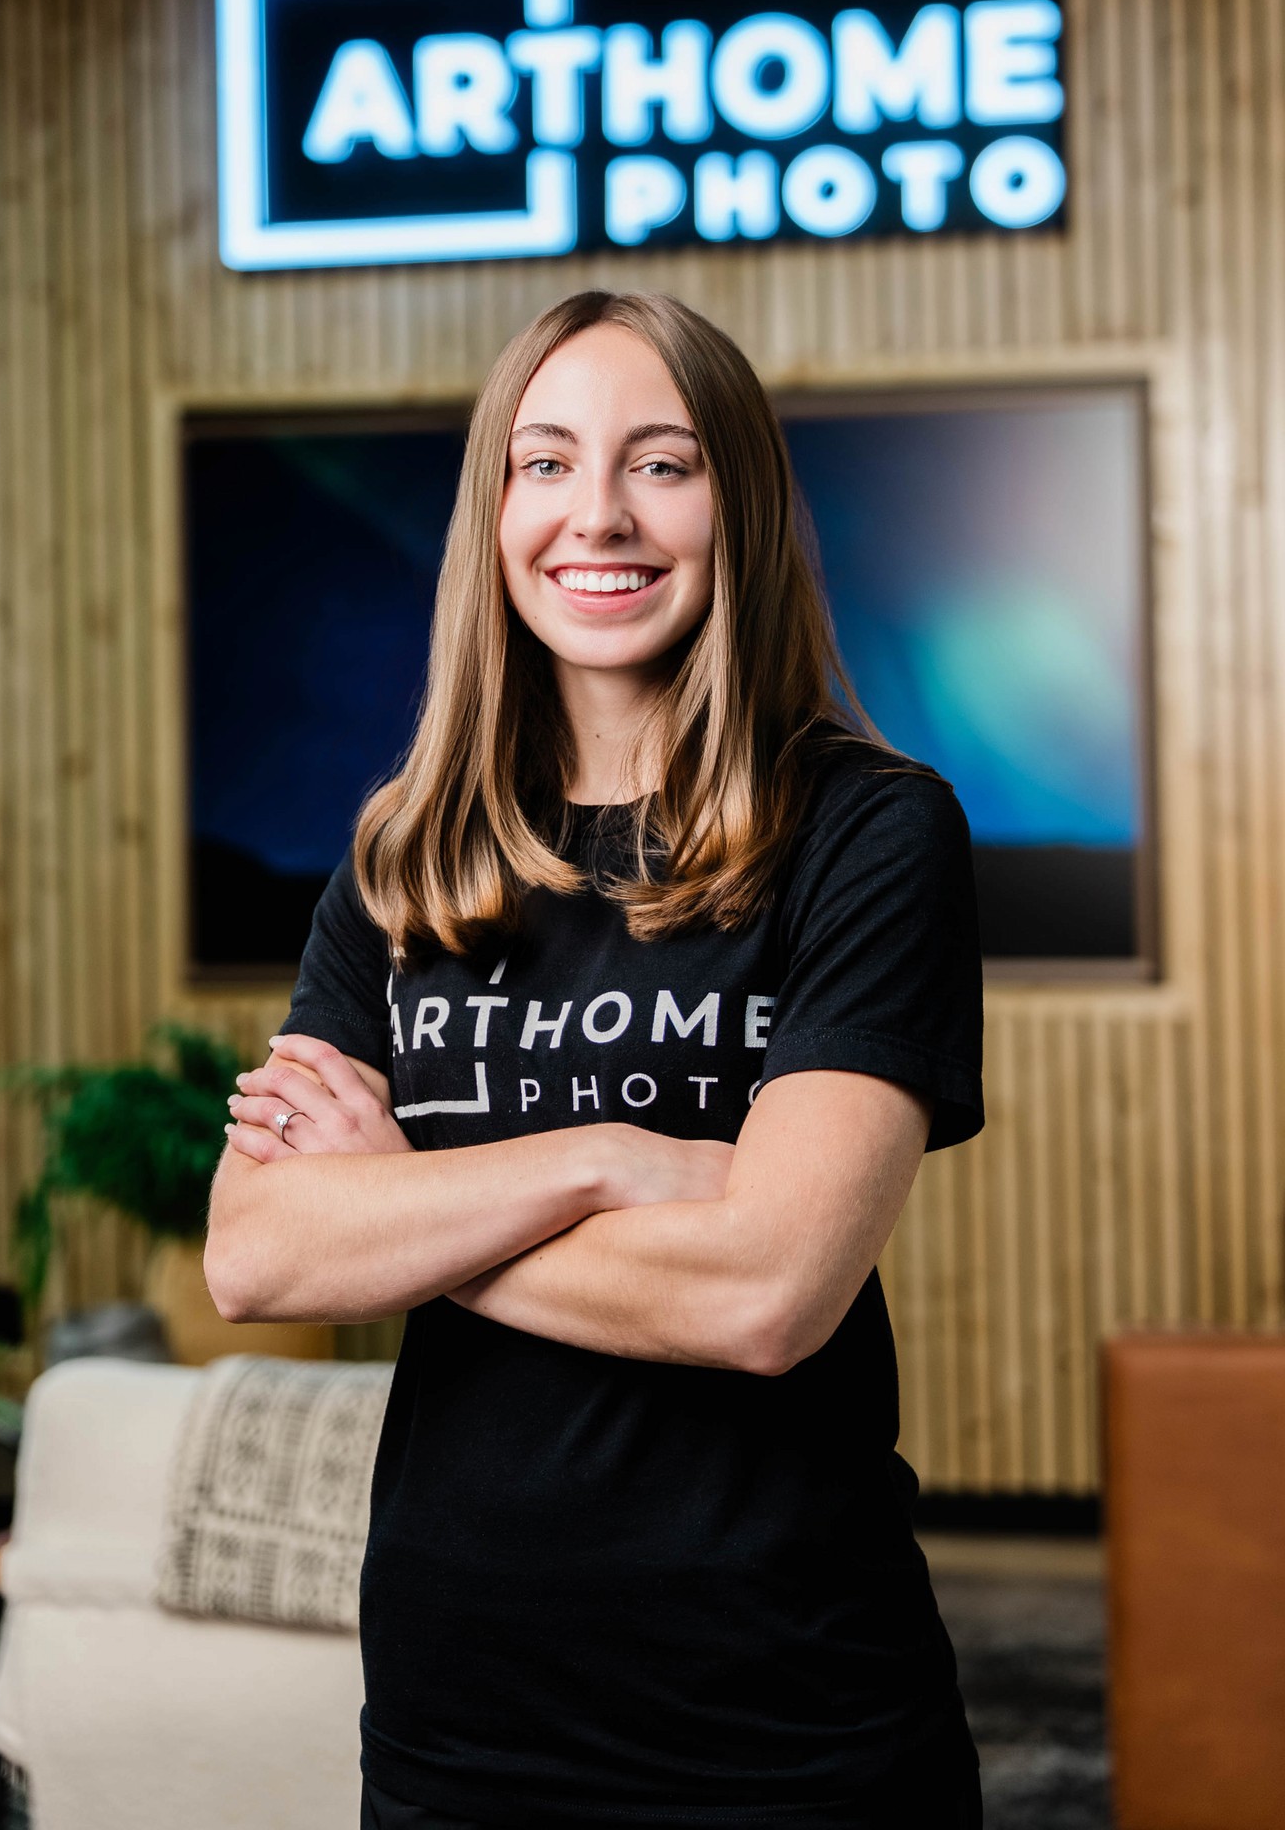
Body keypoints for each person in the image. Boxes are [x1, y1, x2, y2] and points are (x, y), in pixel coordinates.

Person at [205, 289, 986, 1830]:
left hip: (789, 1729)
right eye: (546, 463)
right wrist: (603, 1164)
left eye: (663, 463)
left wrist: (407, 1210)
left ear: (737, 503)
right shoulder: (402, 863)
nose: (600, 515)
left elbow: (765, 1296)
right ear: (494, 511)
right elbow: (258, 1250)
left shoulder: (873, 832)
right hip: (457, 1722)